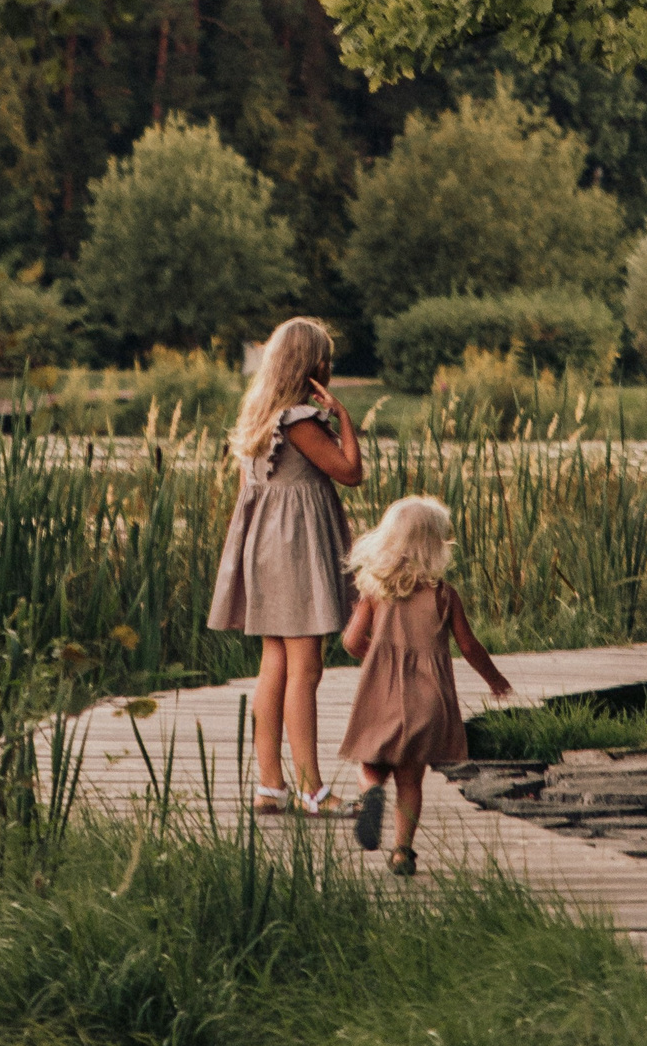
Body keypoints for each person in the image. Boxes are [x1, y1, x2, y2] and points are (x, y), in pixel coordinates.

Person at [208, 317, 362, 815]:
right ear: (312, 365)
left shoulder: (259, 416)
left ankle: (270, 786)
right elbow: (350, 473)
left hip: (264, 549)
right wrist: (343, 418)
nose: (329, 367)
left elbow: (248, 493)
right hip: (295, 552)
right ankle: (312, 790)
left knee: (273, 663)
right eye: (326, 359)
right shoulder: (300, 421)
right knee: (306, 668)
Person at [336, 495, 513, 875]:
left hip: (382, 696)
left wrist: (377, 657)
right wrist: (495, 679)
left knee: (371, 765)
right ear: (435, 546)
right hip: (428, 702)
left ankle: (370, 793)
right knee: (410, 778)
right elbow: (469, 646)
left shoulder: (375, 590)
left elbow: (350, 641)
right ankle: (402, 852)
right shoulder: (444, 595)